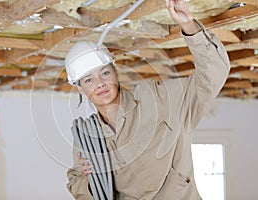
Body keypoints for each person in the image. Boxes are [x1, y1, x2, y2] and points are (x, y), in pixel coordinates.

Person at [65, 0, 230, 199]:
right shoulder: (88, 136)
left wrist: (189, 27)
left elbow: (213, 75)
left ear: (116, 73)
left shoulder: (159, 99)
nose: (100, 83)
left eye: (105, 73)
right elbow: (76, 182)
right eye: (89, 80)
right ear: (79, 88)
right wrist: (87, 179)